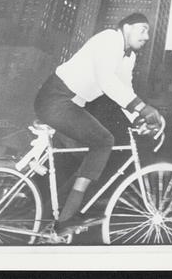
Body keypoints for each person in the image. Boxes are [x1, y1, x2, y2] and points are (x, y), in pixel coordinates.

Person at [33, 12, 162, 235]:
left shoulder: (127, 57)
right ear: (126, 27)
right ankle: (67, 217)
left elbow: (124, 90)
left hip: (71, 105)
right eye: (143, 29)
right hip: (56, 98)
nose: (147, 36)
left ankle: (51, 220)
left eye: (148, 32)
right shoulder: (109, 39)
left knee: (83, 160)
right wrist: (142, 108)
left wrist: (139, 119)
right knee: (103, 141)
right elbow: (107, 81)